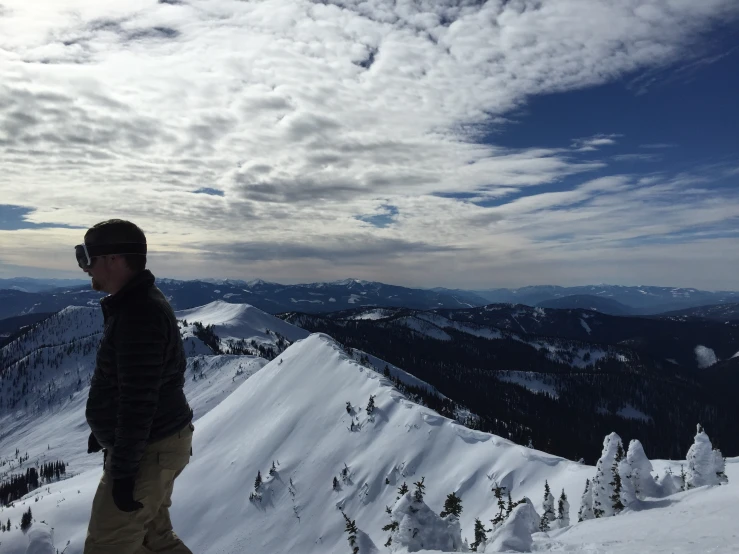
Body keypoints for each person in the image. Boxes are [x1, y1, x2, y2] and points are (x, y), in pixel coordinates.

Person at [77, 219, 194, 554]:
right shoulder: (136, 303)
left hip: (148, 451)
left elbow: (139, 400)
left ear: (115, 259)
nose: (85, 267)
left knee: (107, 545)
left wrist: (125, 474)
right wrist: (104, 427)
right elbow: (142, 384)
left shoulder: (138, 313)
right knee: (153, 540)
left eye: (88, 256)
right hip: (156, 445)